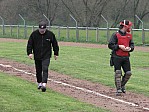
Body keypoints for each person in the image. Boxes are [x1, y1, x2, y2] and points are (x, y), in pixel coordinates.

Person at [27, 21, 59, 92]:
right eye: (41, 30)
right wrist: (29, 53)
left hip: (46, 55)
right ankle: (39, 83)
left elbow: (55, 44)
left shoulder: (50, 35)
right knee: (38, 70)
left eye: (43, 30)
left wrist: (56, 53)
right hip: (37, 55)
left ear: (45, 29)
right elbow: (30, 44)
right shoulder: (34, 34)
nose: (42, 31)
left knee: (45, 68)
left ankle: (44, 84)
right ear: (39, 29)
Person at [108, 20, 134, 96]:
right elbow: (110, 45)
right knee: (118, 73)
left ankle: (122, 85)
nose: (130, 28)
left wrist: (130, 48)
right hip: (116, 56)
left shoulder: (129, 36)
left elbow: (132, 45)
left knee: (128, 73)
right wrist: (119, 46)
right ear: (125, 26)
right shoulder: (115, 35)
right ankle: (118, 89)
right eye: (129, 26)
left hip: (126, 57)